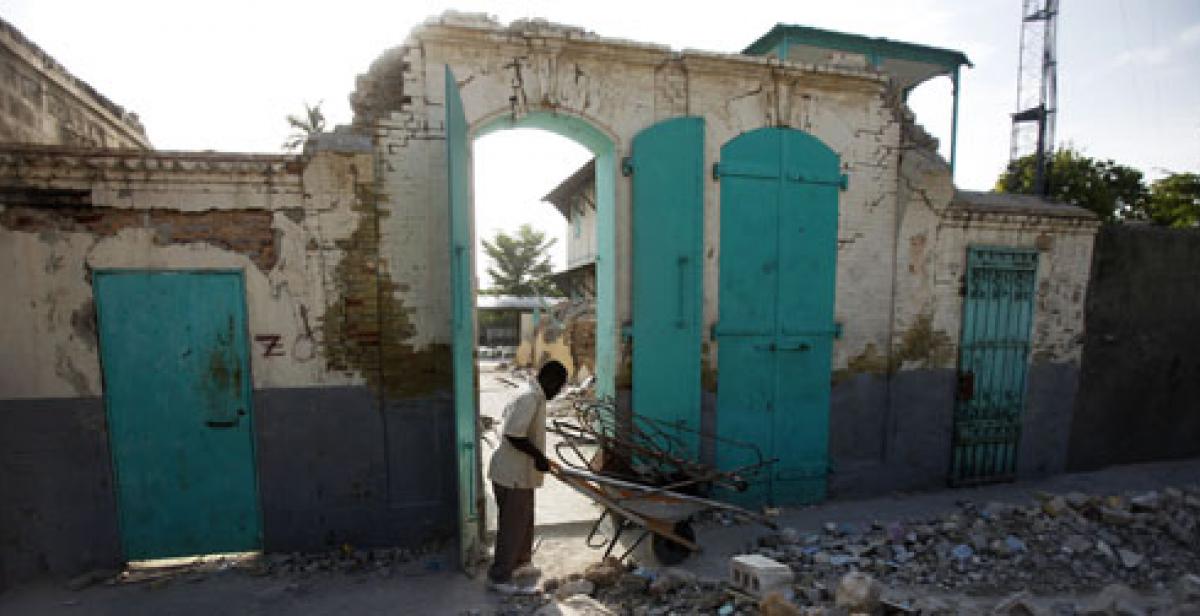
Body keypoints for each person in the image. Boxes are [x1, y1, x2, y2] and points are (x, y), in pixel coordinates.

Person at [486, 360, 568, 595]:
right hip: (512, 474)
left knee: (524, 519)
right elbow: (513, 435)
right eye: (559, 386)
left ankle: (521, 562)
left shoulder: (535, 394)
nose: (559, 391)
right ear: (549, 379)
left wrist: (539, 458)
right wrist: (539, 457)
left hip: (520, 473)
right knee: (512, 525)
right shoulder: (529, 398)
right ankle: (499, 576)